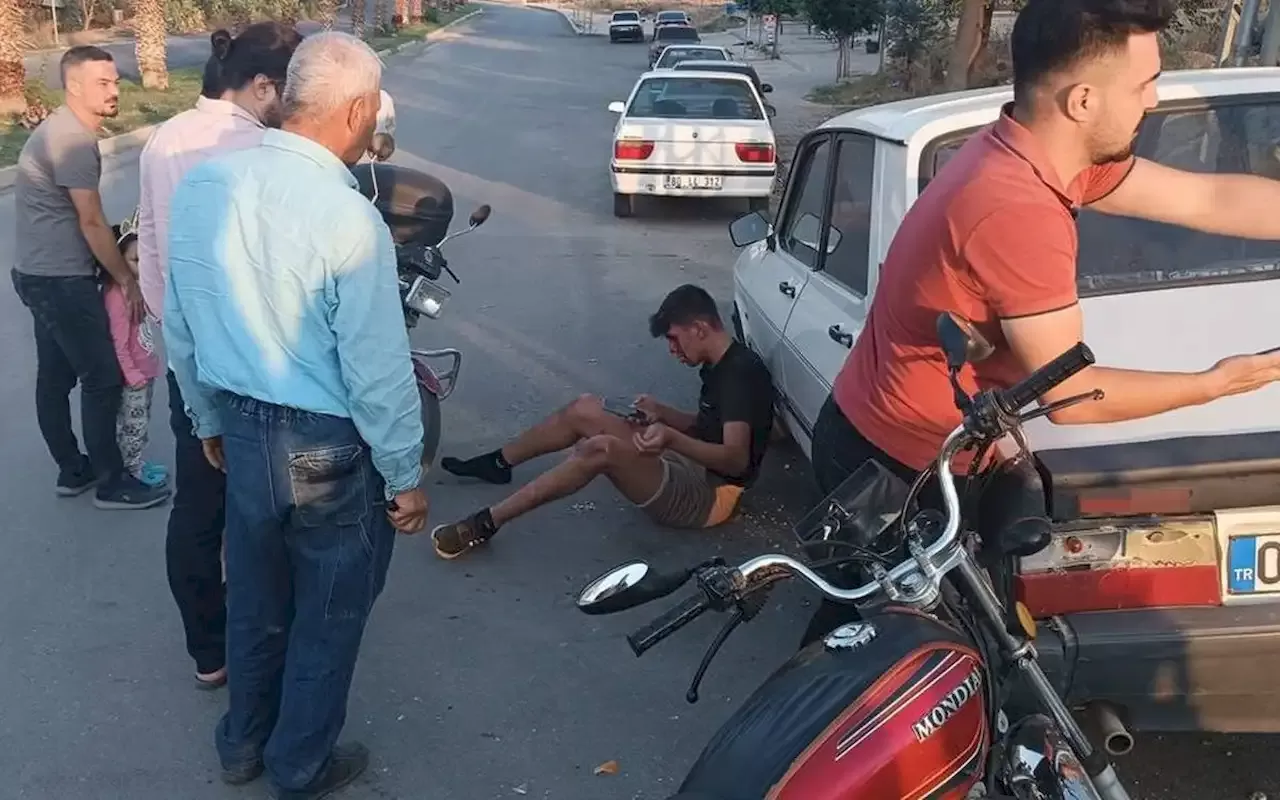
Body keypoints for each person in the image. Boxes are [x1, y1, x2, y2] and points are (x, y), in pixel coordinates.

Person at [802, 0, 1280, 647]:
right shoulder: (1015, 207)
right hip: (897, 469)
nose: (1152, 100)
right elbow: (1073, 396)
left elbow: (1208, 198)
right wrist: (1215, 384)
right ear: (1082, 100)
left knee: (882, 632)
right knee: (888, 650)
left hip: (913, 443)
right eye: (1144, 84)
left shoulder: (1040, 154)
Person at [164, 31, 429, 798]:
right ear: (356, 109)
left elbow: (181, 321)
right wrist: (405, 474)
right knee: (329, 613)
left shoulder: (205, 186)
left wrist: (206, 419)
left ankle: (243, 742)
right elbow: (377, 369)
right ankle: (299, 764)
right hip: (325, 447)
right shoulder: (348, 218)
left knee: (256, 600)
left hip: (243, 431)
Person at [136, 22, 303, 692]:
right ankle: (264, 644)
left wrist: (172, 327)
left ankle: (209, 651)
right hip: (253, 359)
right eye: (290, 90)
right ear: (263, 86)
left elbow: (151, 243)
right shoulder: (261, 147)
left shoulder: (165, 136)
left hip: (188, 354)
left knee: (198, 506)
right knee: (264, 504)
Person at [433, 284, 776, 560]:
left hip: (710, 497)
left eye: (673, 338)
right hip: (691, 465)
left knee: (600, 450)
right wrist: (662, 413)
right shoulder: (720, 364)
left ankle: (486, 523)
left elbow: (735, 460)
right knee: (586, 408)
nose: (672, 349)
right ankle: (498, 463)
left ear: (699, 329)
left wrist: (671, 438)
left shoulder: (739, 376)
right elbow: (708, 428)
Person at [9, 46, 170, 510]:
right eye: (103, 83)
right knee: (102, 377)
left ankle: (72, 469)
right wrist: (126, 278)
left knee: (56, 376)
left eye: (115, 81)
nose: (114, 90)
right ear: (74, 86)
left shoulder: (60, 130)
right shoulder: (74, 141)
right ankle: (111, 482)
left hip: (39, 274)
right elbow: (91, 221)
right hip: (61, 279)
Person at [103, 221, 167, 488]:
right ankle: (132, 471)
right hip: (134, 378)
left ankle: (137, 462)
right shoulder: (117, 298)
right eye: (134, 260)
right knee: (133, 427)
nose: (141, 266)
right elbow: (118, 343)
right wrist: (132, 375)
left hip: (144, 372)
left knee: (141, 423)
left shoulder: (138, 290)